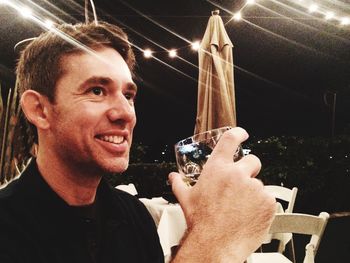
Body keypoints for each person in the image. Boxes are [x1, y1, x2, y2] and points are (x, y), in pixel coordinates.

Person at [0, 22, 276, 263]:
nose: (125, 114)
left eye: (128, 95)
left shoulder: (135, 217)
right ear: (39, 110)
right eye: (97, 90)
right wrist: (212, 243)